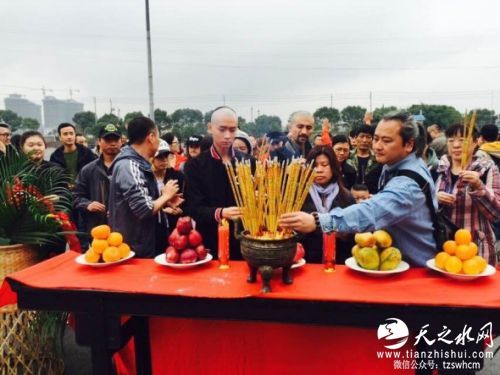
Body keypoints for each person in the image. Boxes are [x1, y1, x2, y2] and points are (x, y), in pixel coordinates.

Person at [279, 111, 437, 267]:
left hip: (417, 269)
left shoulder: (407, 184)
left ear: (409, 144)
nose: (377, 146)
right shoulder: (392, 166)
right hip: (393, 263)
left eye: (386, 141)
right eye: (376, 139)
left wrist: (319, 221)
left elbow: (372, 212)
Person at [184, 107, 254, 260]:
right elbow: (193, 208)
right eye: (222, 129)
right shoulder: (195, 166)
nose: (228, 136)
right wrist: (221, 213)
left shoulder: (249, 162)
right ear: (210, 128)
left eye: (232, 130)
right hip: (210, 241)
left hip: (247, 240)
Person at [109, 117, 182, 258]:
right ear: (151, 137)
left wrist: (164, 201)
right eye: (158, 136)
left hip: (143, 245)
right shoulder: (130, 165)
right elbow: (144, 209)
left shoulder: (139, 164)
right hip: (133, 250)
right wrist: (166, 195)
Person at [435, 123, 500, 265]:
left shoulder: (488, 169)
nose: (456, 145)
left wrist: (478, 186)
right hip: (445, 248)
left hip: (477, 249)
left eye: (463, 140)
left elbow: (496, 213)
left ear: (476, 142)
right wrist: (435, 199)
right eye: (451, 140)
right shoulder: (436, 169)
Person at [299, 146, 355, 264]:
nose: (319, 170)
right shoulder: (299, 195)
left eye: (324, 165)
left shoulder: (346, 196)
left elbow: (353, 233)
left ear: (333, 167)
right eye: (314, 165)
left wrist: (342, 233)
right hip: (307, 263)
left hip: (339, 262)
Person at [73, 124, 122, 236]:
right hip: (98, 229)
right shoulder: (88, 170)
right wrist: (88, 204)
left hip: (125, 227)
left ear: (121, 141)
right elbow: (76, 196)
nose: (112, 143)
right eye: (108, 139)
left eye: (115, 139)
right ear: (99, 141)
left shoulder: (129, 167)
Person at [152, 140, 185, 230]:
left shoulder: (177, 176)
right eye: (160, 157)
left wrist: (180, 209)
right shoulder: (145, 177)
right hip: (153, 227)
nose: (164, 159)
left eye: (166, 155)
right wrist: (163, 209)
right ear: (151, 158)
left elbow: (185, 199)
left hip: (174, 226)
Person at [347, 125, 382, 194]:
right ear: (355, 138)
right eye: (362, 136)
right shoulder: (347, 156)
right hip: (350, 196)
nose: (364, 140)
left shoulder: (378, 157)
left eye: (368, 137)